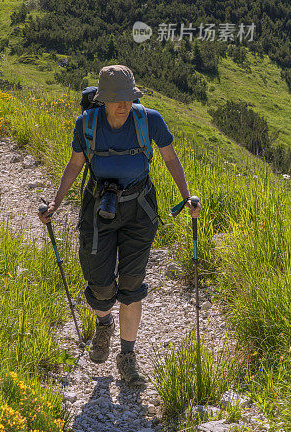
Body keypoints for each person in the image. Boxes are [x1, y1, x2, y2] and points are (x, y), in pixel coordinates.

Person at [39, 64, 201, 386]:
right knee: (100, 286)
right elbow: (74, 165)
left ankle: (127, 356)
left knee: (131, 285)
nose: (123, 105)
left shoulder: (148, 120)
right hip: (98, 209)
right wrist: (56, 203)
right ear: (103, 100)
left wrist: (187, 197)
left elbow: (170, 158)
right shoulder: (86, 125)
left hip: (139, 211)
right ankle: (103, 324)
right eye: (116, 99)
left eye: (128, 97)